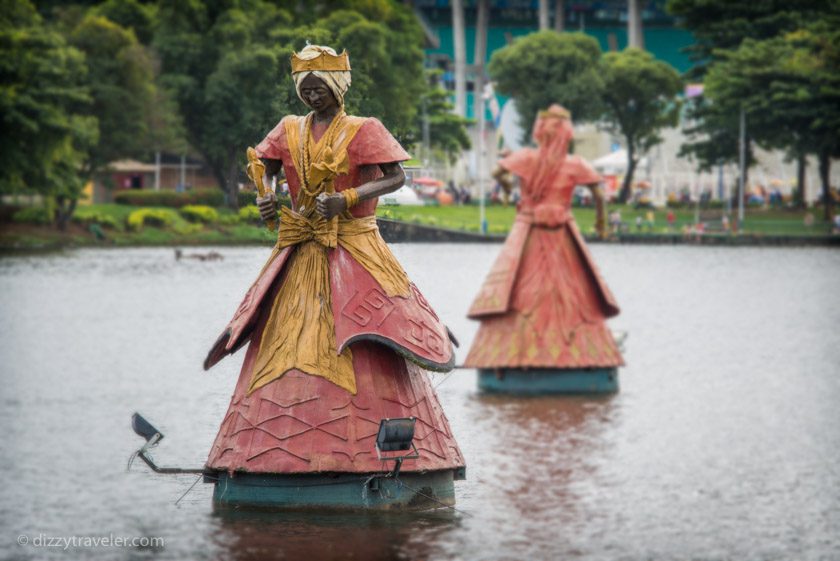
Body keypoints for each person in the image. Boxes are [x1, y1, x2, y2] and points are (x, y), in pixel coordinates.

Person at [202, 45, 463, 492]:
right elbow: (262, 164)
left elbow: (396, 175)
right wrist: (264, 194)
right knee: (285, 336)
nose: (312, 97)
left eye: (320, 88)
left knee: (372, 330)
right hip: (303, 247)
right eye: (305, 90)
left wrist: (350, 197)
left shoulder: (364, 129)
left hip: (355, 244)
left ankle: (373, 450)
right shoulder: (289, 129)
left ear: (338, 87)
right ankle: (267, 452)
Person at [463, 105, 623, 375]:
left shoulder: (525, 158)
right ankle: (577, 354)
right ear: (567, 133)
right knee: (571, 290)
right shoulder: (575, 164)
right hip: (561, 234)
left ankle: (509, 353)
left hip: (530, 231)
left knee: (521, 289)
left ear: (539, 132)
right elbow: (597, 193)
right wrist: (601, 222)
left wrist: (506, 191)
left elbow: (497, 174)